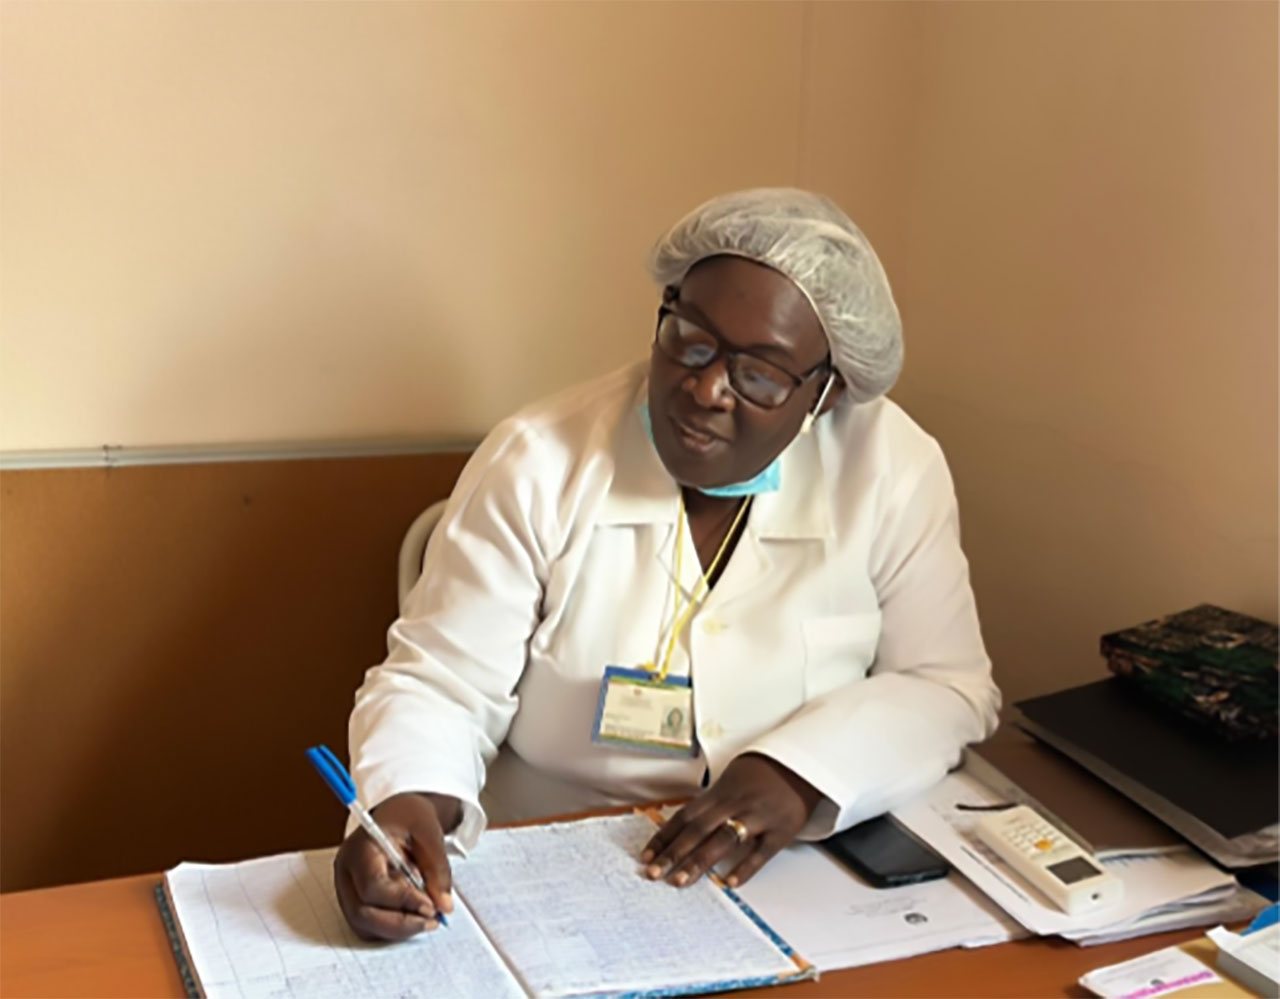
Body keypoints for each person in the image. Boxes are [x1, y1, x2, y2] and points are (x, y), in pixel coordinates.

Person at [335, 188, 1000, 940]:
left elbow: (947, 685)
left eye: (760, 375)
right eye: (690, 338)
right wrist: (409, 796)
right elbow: (441, 681)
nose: (706, 387)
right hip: (550, 876)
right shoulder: (539, 459)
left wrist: (798, 771)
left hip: (797, 883)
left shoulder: (891, 468)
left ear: (828, 392)